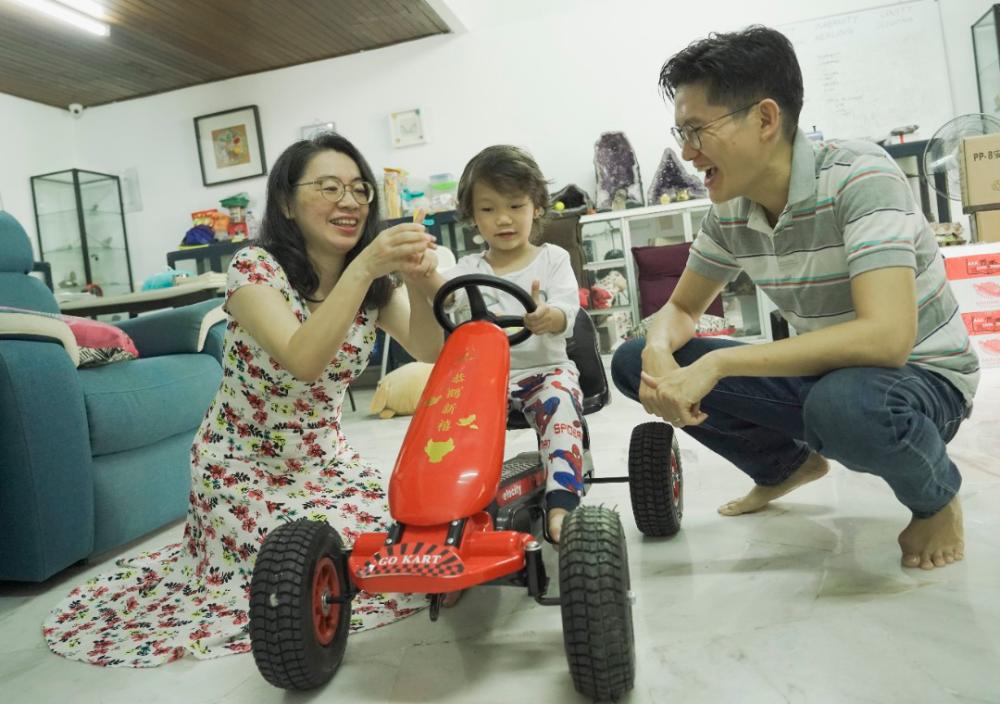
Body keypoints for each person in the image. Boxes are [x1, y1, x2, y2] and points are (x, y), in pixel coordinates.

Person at [43, 132, 444, 666]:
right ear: (286, 202)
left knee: (404, 541)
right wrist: (367, 266)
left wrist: (418, 280)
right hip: (242, 470)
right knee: (311, 564)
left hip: (324, 463)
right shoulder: (255, 268)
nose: (349, 202)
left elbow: (430, 347)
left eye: (359, 189)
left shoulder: (370, 283)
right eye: (329, 187)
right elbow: (303, 359)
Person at [611, 26, 979, 571]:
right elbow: (684, 309)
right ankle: (784, 466)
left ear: (764, 119)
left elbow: (887, 338)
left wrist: (719, 362)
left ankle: (935, 497)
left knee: (848, 406)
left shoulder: (861, 177)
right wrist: (660, 350)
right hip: (832, 372)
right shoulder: (730, 210)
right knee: (631, 361)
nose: (686, 152)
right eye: (679, 131)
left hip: (922, 379)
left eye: (696, 130)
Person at [418, 145, 585, 543]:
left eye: (515, 205)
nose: (503, 219)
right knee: (440, 420)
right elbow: (447, 296)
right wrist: (423, 270)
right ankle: (449, 512)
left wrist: (551, 316)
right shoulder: (469, 269)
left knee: (559, 402)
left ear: (537, 207)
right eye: (488, 209)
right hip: (485, 382)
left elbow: (567, 308)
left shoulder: (553, 259)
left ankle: (562, 504)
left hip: (544, 374)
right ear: (473, 216)